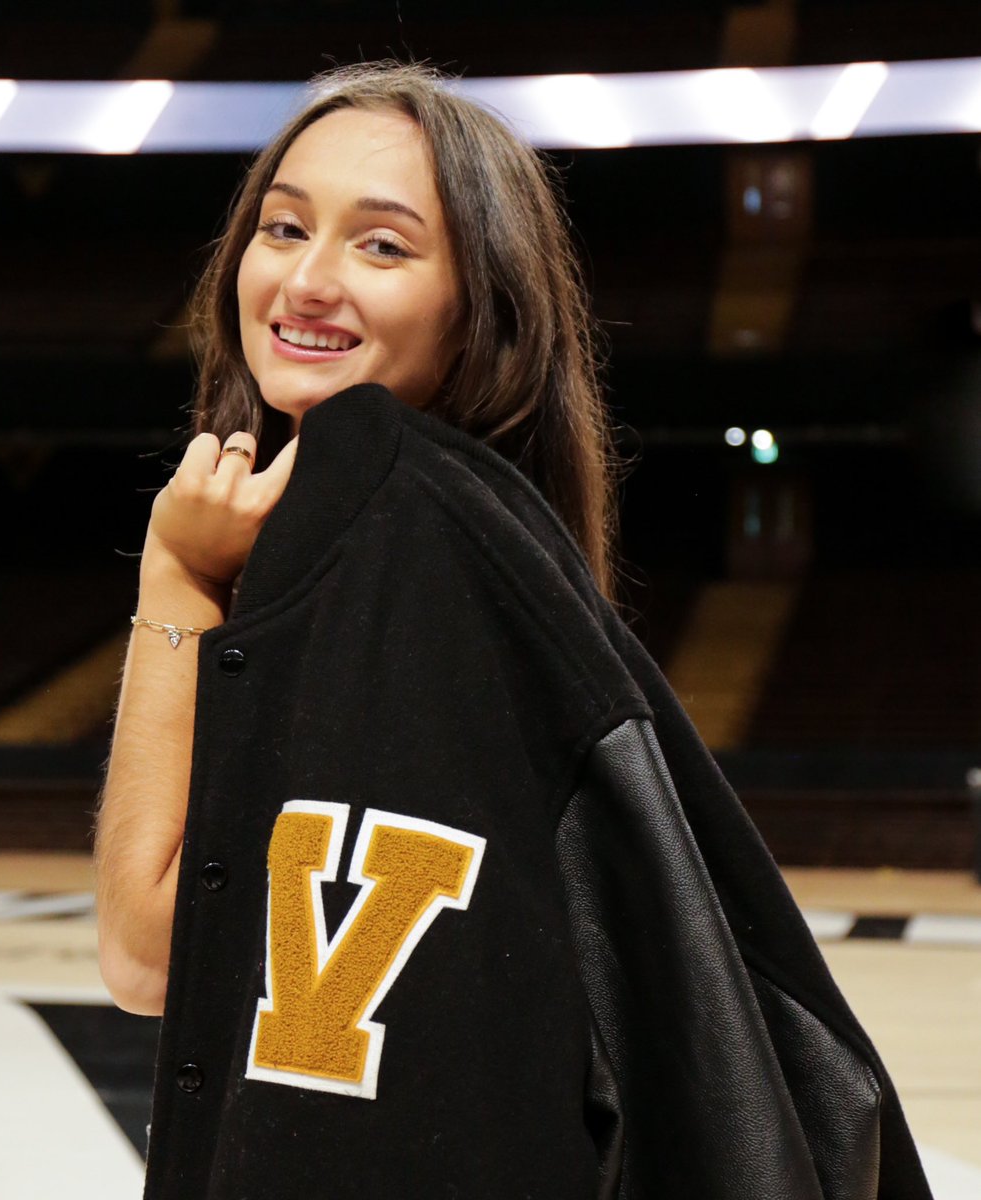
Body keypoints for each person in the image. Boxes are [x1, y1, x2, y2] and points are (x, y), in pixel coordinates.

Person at [94, 61, 931, 1200]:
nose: (307, 279)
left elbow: (148, 950)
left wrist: (177, 577)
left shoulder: (396, 547)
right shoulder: (489, 550)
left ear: (479, 306)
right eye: (283, 226)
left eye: (382, 246)